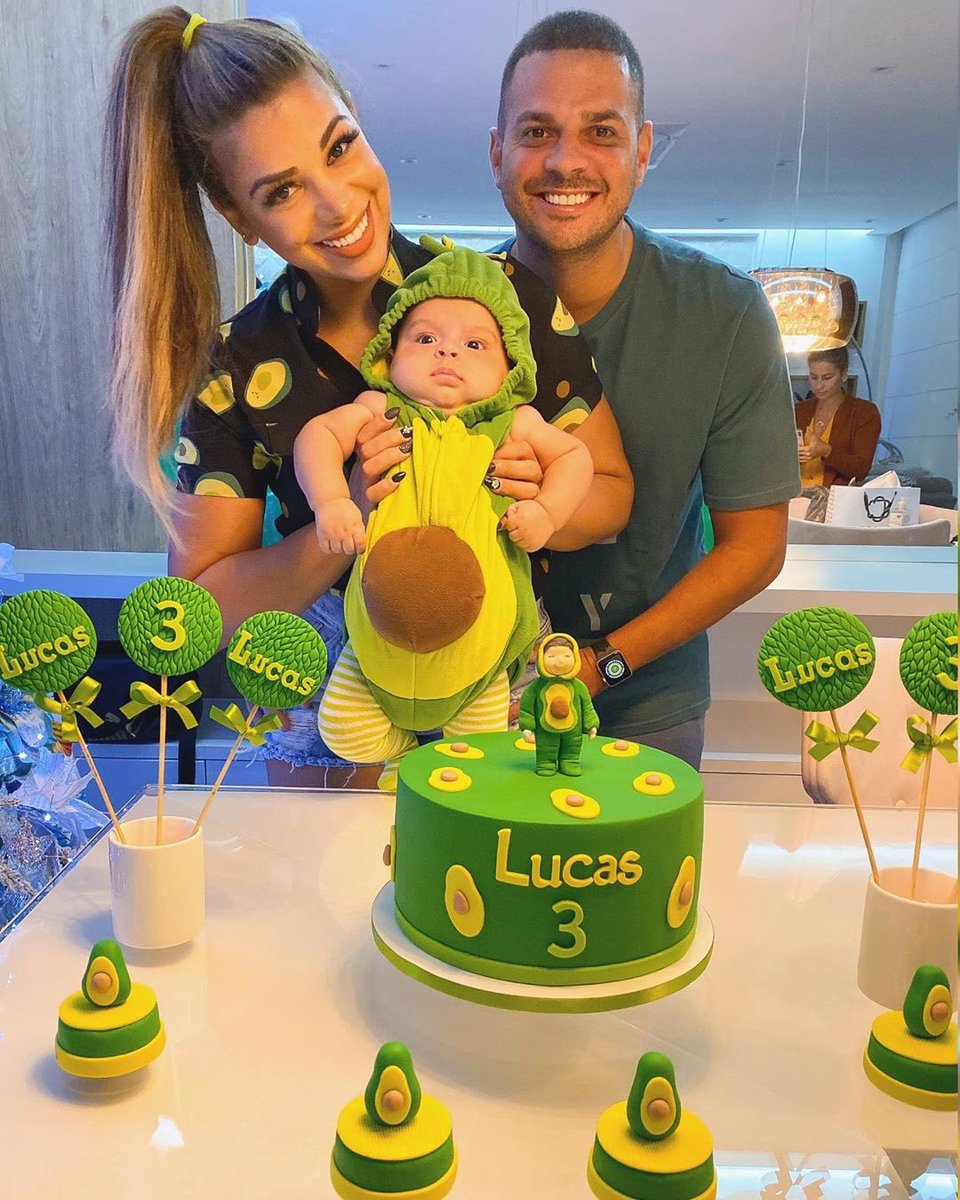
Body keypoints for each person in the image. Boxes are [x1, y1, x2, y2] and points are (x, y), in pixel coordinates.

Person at [103, 8, 633, 789]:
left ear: (357, 118)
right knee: (337, 871)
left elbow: (612, 493)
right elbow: (202, 609)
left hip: (493, 673)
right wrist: (341, 518)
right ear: (238, 217)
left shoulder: (502, 299)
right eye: (282, 190)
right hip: (331, 704)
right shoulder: (237, 366)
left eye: (340, 146)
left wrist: (535, 497)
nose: (338, 205)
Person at [484, 10, 801, 768]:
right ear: (497, 153)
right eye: (536, 131)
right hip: (468, 700)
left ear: (643, 149)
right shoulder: (447, 311)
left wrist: (608, 664)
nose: (566, 160)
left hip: (646, 702)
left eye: (601, 131)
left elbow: (755, 547)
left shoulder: (723, 312)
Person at [296, 243, 598, 777]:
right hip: (376, 635)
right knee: (344, 731)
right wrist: (331, 501)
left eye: (474, 344)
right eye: (426, 338)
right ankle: (399, 760)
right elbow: (317, 435)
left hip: (482, 646)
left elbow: (575, 457)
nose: (447, 353)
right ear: (390, 355)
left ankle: (445, 780)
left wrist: (548, 513)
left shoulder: (514, 423)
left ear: (510, 368)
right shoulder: (380, 409)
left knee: (482, 758)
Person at [794, 347, 881, 487]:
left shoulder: (864, 413)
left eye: (827, 378)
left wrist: (827, 451)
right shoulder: (799, 410)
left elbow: (861, 470)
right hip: (796, 494)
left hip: (835, 497)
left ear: (844, 374)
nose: (819, 385)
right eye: (813, 377)